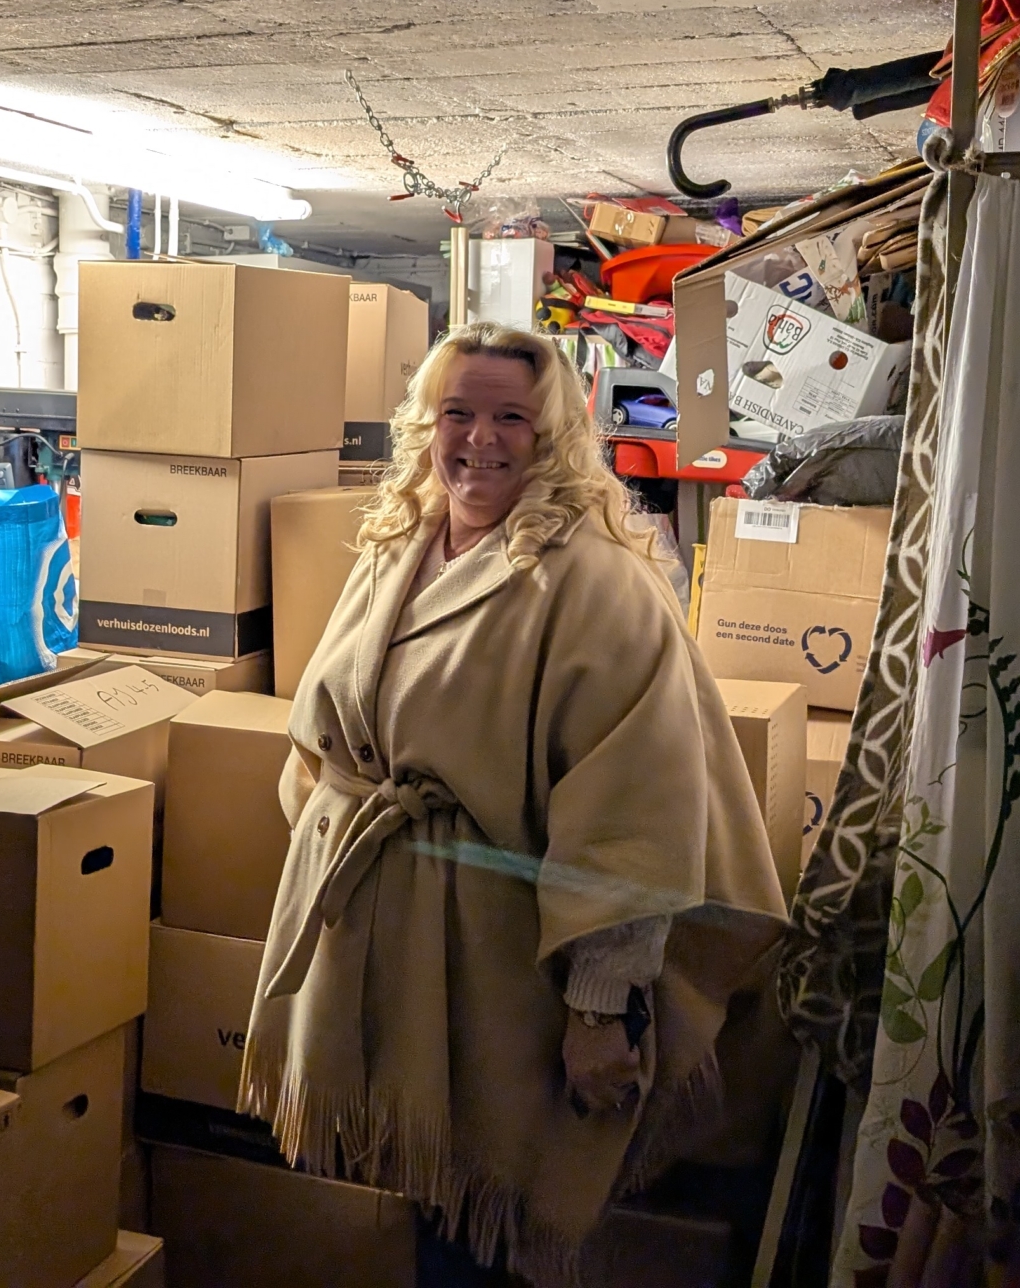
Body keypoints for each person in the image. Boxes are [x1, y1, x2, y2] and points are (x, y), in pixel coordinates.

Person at [241, 321, 789, 1286]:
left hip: (503, 965)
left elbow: (633, 815)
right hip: (393, 937)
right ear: (427, 423)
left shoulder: (597, 581)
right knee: (423, 1197)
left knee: (492, 1214)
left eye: (510, 418)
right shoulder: (400, 541)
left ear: (555, 435)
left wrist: (597, 1010)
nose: (479, 440)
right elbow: (326, 717)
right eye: (458, 413)